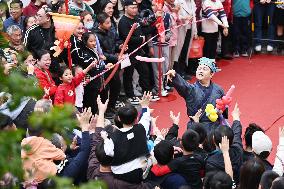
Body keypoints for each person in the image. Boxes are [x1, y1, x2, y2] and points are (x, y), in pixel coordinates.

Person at [165, 57, 227, 132]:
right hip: (195, 127)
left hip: (214, 127)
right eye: (199, 68)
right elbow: (182, 85)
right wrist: (174, 75)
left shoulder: (218, 90)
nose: (201, 71)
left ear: (211, 74)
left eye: (204, 69)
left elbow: (224, 107)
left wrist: (221, 111)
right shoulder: (191, 89)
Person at [118, 0, 157, 105]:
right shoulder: (123, 22)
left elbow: (143, 31)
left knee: (145, 72)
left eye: (136, 8)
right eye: (132, 8)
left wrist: (155, 26)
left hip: (139, 52)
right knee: (128, 75)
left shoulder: (136, 19)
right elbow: (127, 38)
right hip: (129, 52)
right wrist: (142, 39)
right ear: (126, 8)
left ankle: (147, 93)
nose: (135, 10)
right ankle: (130, 96)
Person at [102, 103, 151, 184]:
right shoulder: (141, 128)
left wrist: (105, 139)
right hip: (137, 173)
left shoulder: (112, 138)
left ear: (119, 119)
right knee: (150, 157)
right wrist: (145, 106)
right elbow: (146, 118)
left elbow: (108, 152)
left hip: (119, 174)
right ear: (136, 119)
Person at [50, 108, 92, 185]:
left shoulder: (51, 158)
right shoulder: (68, 171)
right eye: (63, 141)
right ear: (61, 148)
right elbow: (85, 151)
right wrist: (85, 127)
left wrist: (69, 148)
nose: (64, 139)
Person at [206, 104, 242, 183]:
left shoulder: (211, 162)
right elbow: (237, 132)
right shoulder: (238, 149)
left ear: (213, 140)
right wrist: (236, 117)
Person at [94, 12, 122, 116]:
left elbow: (117, 41)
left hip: (114, 62)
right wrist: (115, 57)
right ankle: (104, 109)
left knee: (116, 85)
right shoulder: (96, 35)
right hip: (104, 64)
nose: (110, 25)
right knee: (104, 88)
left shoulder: (111, 31)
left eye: (110, 22)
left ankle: (111, 106)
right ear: (100, 24)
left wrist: (120, 46)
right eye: (107, 23)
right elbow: (100, 52)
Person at [79, 32, 112, 114]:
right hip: (91, 84)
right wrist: (104, 67)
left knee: (99, 102)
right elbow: (92, 69)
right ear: (85, 42)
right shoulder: (86, 54)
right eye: (91, 41)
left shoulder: (93, 50)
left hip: (98, 82)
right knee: (91, 105)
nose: (94, 43)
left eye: (94, 41)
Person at [150, 0, 171, 97]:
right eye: (153, 5)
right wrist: (150, 46)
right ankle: (159, 88)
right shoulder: (151, 17)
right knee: (157, 68)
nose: (154, 7)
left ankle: (164, 84)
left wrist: (164, 37)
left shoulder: (167, 16)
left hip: (165, 44)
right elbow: (148, 32)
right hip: (155, 44)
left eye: (156, 5)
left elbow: (170, 31)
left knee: (165, 66)